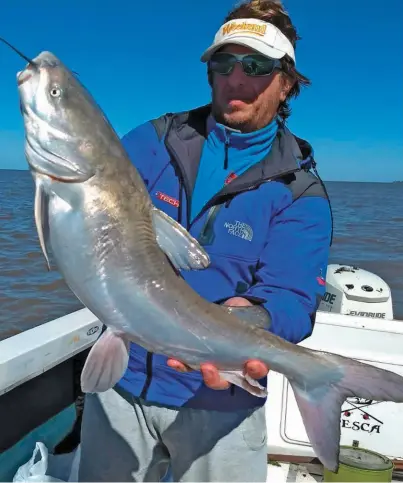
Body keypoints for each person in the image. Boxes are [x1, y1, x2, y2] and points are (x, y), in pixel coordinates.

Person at [77, 0, 333, 481]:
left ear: (287, 83)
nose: (236, 78)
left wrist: (248, 319)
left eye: (256, 66)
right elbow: (92, 212)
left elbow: (294, 299)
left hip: (221, 401)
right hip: (122, 384)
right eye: (224, 62)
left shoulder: (299, 191)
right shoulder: (154, 140)